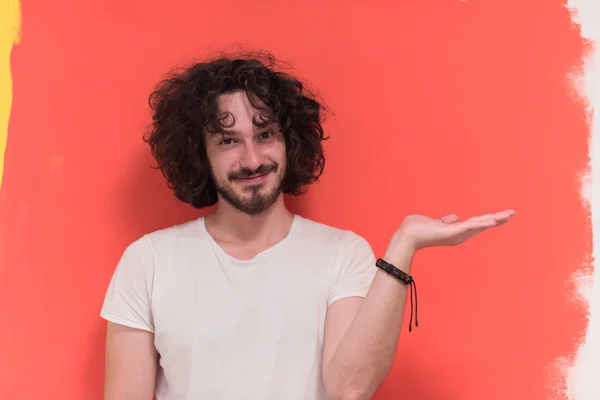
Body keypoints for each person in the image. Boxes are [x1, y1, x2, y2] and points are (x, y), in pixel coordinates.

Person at [100, 52, 514, 400]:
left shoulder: (343, 255)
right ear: (200, 154)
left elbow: (349, 387)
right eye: (228, 141)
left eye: (265, 134)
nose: (251, 159)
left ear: (290, 141)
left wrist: (404, 244)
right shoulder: (148, 262)